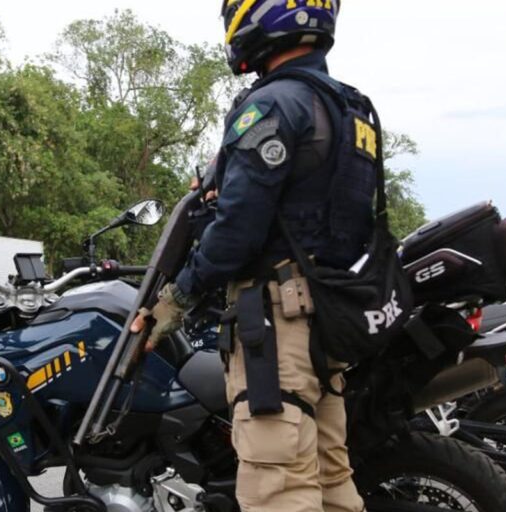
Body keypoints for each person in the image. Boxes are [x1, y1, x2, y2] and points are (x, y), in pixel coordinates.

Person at [132, 2, 372, 511]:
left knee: (277, 490)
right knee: (330, 484)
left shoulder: (270, 107)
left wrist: (178, 296)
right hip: (325, 322)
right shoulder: (350, 110)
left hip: (275, 331)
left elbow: (236, 230)